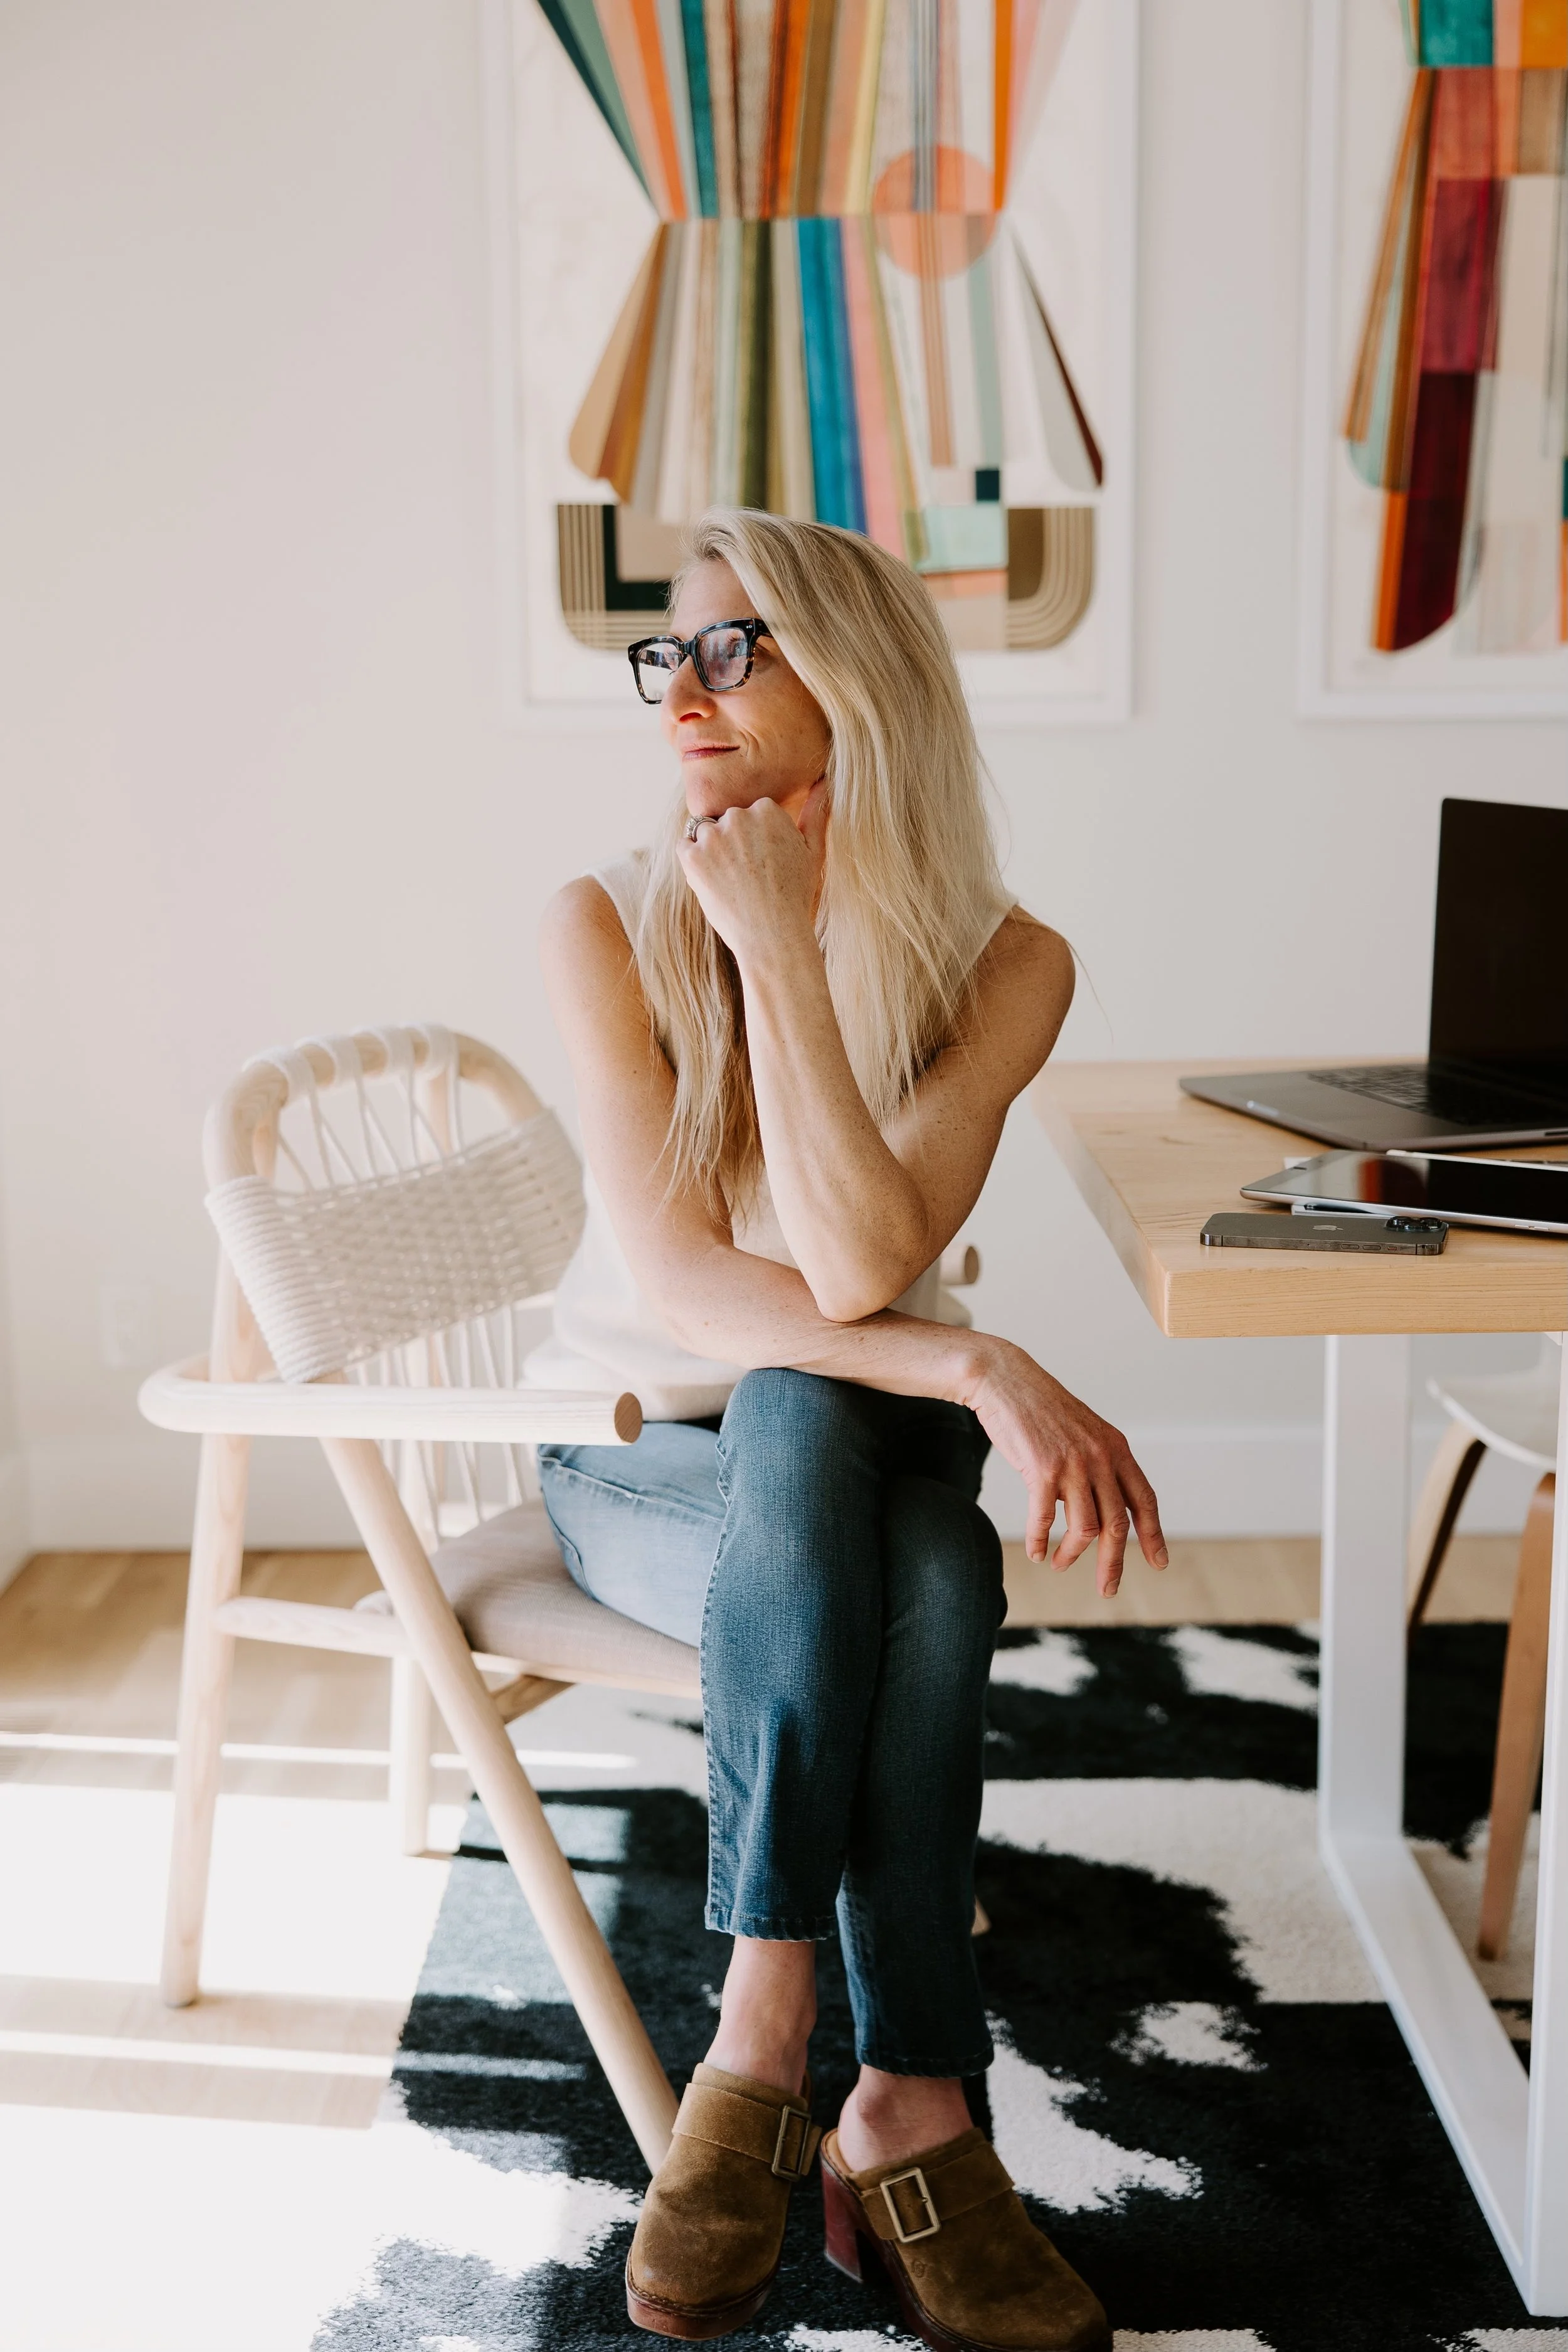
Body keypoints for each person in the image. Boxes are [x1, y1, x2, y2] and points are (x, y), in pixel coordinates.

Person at [531, 508, 1166, 2352]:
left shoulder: (1007, 962)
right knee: (908, 1522)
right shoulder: (605, 921)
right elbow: (695, 1294)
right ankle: (905, 2097)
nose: (684, 694)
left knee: (849, 1437)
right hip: (645, 1457)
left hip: (849, 1457)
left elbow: (854, 1253)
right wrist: (977, 1368)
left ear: (856, 680)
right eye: (672, 651)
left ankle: (758, 2046)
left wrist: (791, 958)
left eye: (735, 648)